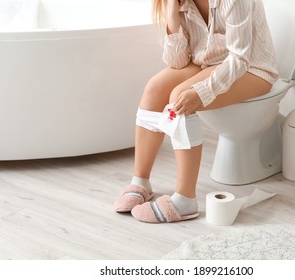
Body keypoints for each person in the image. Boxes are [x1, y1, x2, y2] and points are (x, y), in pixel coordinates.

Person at [113, 0, 279, 223]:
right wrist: (172, 15)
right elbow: (178, 62)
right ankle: (140, 181)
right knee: (154, 89)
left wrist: (203, 91)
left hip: (253, 68)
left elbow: (240, 58)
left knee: (179, 97)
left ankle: (185, 199)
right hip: (206, 63)